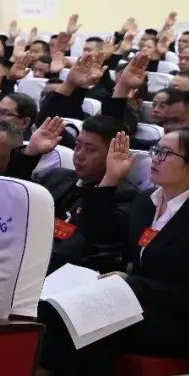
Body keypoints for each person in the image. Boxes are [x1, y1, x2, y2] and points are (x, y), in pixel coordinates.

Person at [38, 128, 189, 376]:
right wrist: (111, 178)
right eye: (156, 150)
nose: (156, 158)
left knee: (92, 322)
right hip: (133, 300)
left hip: (177, 321)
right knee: (54, 305)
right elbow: (99, 234)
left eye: (166, 154)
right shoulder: (146, 202)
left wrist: (132, 284)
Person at [36, 115, 140, 273]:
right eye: (77, 146)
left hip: (66, 272)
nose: (79, 154)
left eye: (90, 149)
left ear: (113, 154)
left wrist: (110, 178)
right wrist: (30, 154)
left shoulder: (127, 197)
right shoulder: (58, 177)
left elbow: (94, 237)